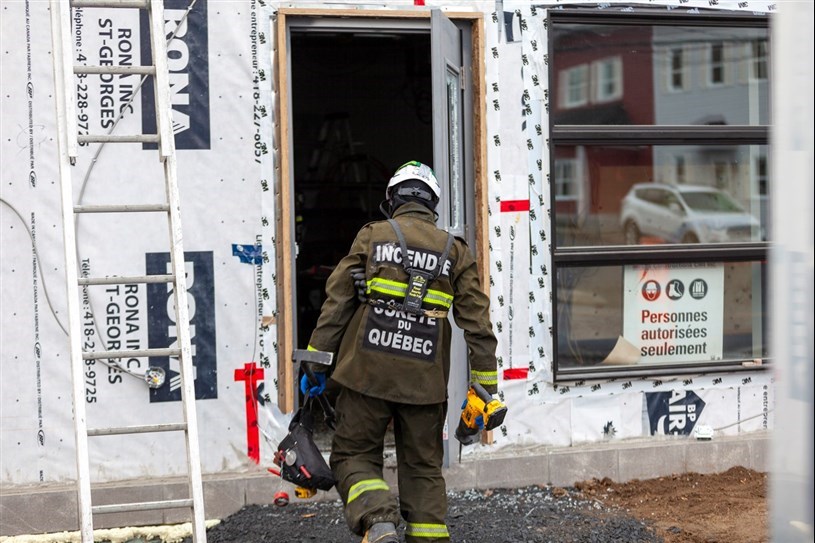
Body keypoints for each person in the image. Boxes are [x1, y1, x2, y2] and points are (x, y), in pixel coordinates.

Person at [302, 161, 499, 543]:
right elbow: (478, 326)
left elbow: (336, 302)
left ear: (391, 199)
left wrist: (316, 359)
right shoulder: (455, 252)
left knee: (353, 455)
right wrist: (484, 388)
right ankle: (428, 536)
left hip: (365, 374)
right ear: (433, 205)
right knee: (423, 468)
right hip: (424, 384)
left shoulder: (373, 236)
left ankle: (378, 522)